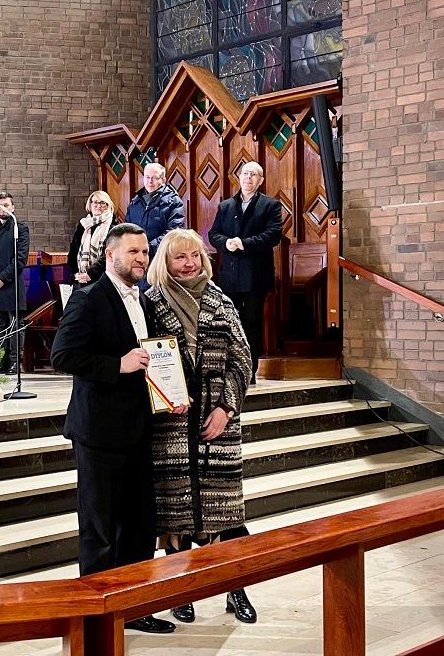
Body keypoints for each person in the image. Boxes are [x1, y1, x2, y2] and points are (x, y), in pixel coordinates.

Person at [50, 222, 176, 635]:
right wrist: (115, 365)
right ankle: (96, 620)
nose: (141, 258)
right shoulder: (89, 298)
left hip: (139, 427)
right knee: (100, 529)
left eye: (145, 252)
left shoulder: (146, 301)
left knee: (139, 525)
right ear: (111, 255)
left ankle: (134, 607)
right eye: (133, 252)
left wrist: (171, 392)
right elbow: (63, 355)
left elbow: (154, 358)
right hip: (99, 431)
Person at [146, 228, 256, 626]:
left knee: (224, 511)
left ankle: (235, 589)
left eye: (195, 255)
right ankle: (182, 590)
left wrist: (227, 407)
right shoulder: (150, 302)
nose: (190, 263)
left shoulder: (220, 301)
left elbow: (242, 358)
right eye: (180, 257)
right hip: (170, 424)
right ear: (165, 262)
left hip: (217, 423)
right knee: (175, 512)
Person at [208, 161, 282, 384]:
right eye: (245, 173)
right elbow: (213, 234)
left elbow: (273, 235)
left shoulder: (270, 205)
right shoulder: (226, 206)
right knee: (229, 322)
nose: (248, 177)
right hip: (229, 275)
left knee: (251, 322)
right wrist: (226, 242)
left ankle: (249, 371)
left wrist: (245, 243)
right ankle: (230, 368)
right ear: (239, 177)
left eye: (254, 174)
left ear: (260, 180)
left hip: (255, 275)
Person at [0, 192, 30, 375]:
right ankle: (1, 361)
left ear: (13, 207)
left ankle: (15, 361)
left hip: (11, 284)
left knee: (15, 325)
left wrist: (2, 279)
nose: (2, 208)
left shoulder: (20, 229)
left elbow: (20, 260)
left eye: (6, 205)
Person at [125, 162, 185, 264]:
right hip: (136, 258)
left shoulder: (174, 202)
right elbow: (127, 229)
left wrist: (147, 249)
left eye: (155, 178)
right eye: (147, 177)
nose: (150, 181)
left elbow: (174, 232)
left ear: (163, 180)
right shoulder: (135, 202)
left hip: (162, 258)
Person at [67, 190, 117, 289]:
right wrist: (74, 274)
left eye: (102, 203)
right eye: (95, 202)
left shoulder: (113, 228)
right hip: (80, 281)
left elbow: (109, 255)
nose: (98, 206)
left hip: (102, 281)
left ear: (108, 206)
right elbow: (73, 252)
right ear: (90, 205)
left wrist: (91, 274)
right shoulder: (83, 226)